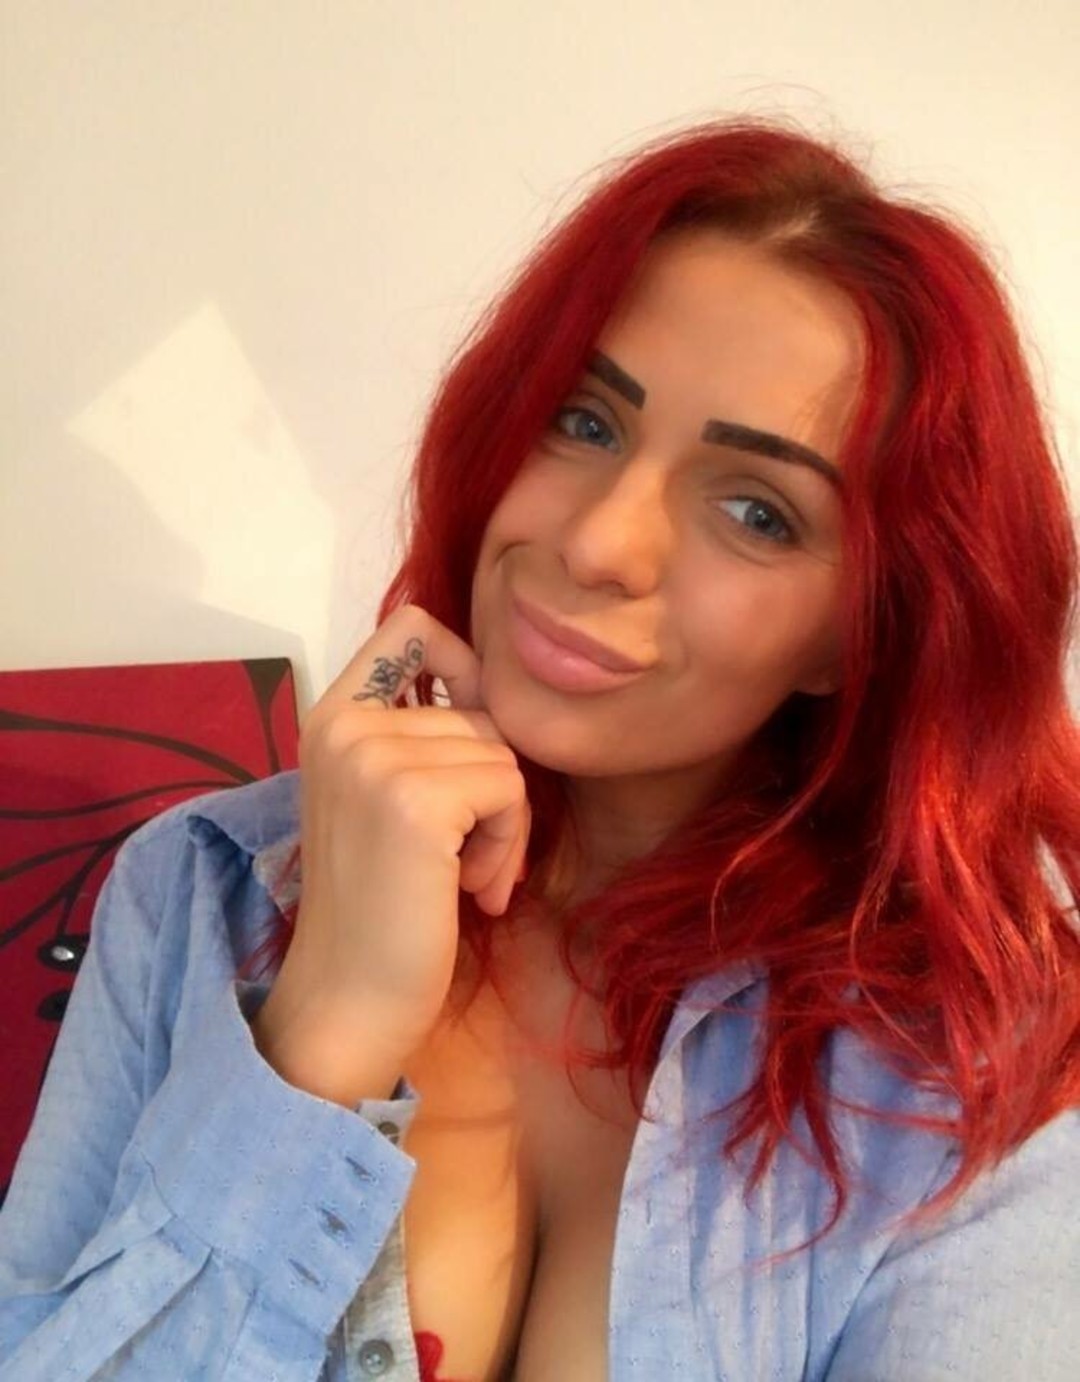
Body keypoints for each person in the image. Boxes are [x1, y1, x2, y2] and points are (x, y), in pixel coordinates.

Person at [1, 115, 1078, 1382]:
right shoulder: (200, 886)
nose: (599, 541)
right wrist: (327, 1028)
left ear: (858, 633)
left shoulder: (978, 1059)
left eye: (756, 510)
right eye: (585, 420)